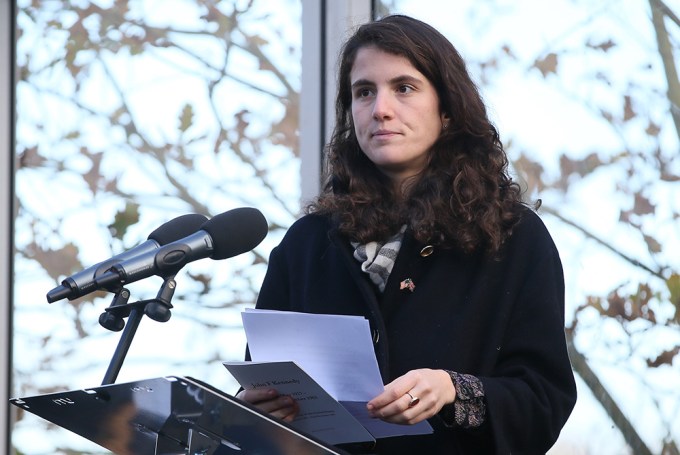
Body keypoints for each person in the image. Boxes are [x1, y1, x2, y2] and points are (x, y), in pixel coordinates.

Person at [237, 14, 577, 454]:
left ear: (448, 109)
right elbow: (260, 392)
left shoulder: (513, 237)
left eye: (404, 88)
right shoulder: (305, 245)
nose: (380, 108)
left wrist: (453, 390)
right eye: (364, 92)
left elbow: (543, 403)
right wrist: (254, 411)